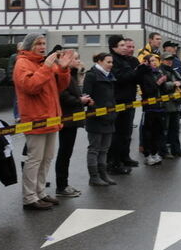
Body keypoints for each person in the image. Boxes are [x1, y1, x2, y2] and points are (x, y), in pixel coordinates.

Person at [14, 34, 73, 210]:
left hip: (51, 117)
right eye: (38, 43)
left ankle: (40, 192)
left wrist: (62, 70)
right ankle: (29, 197)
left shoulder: (43, 63)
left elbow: (60, 87)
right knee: (35, 159)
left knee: (46, 158)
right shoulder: (22, 63)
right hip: (35, 119)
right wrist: (47, 67)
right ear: (29, 46)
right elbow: (31, 87)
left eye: (43, 43)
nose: (42, 46)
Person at [55, 51, 92, 197]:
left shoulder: (72, 74)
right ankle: (61, 186)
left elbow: (74, 92)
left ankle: (64, 184)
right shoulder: (64, 75)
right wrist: (80, 101)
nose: (78, 61)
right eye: (75, 59)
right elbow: (63, 95)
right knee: (64, 153)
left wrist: (81, 97)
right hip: (66, 118)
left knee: (66, 153)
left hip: (72, 118)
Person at [84, 53, 117, 186]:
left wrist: (112, 113)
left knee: (104, 149)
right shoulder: (91, 75)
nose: (111, 65)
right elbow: (87, 96)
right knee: (94, 148)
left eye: (111, 62)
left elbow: (112, 97)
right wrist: (97, 110)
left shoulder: (109, 76)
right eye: (108, 62)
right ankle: (94, 176)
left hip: (109, 117)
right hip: (96, 118)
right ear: (99, 61)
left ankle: (103, 174)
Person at [107, 36, 139, 175]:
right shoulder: (113, 60)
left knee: (126, 133)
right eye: (122, 45)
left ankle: (124, 157)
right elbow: (120, 78)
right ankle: (114, 163)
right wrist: (136, 72)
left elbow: (132, 77)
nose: (126, 48)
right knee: (117, 134)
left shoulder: (127, 60)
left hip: (129, 100)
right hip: (118, 101)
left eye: (128, 46)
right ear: (114, 47)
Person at [136, 55, 168, 165]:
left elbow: (163, 90)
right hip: (149, 107)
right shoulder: (144, 74)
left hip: (160, 106)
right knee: (147, 132)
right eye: (152, 61)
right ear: (147, 62)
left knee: (158, 131)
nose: (155, 63)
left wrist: (165, 83)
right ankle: (147, 154)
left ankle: (155, 153)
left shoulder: (159, 73)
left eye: (156, 61)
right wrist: (159, 82)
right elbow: (148, 91)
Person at [159, 54, 181, 158]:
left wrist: (178, 83)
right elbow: (162, 86)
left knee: (175, 129)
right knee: (164, 130)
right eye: (167, 59)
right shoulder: (160, 71)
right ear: (162, 60)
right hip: (165, 104)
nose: (169, 61)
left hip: (175, 104)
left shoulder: (174, 71)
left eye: (171, 60)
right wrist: (174, 84)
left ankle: (176, 150)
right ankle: (164, 152)